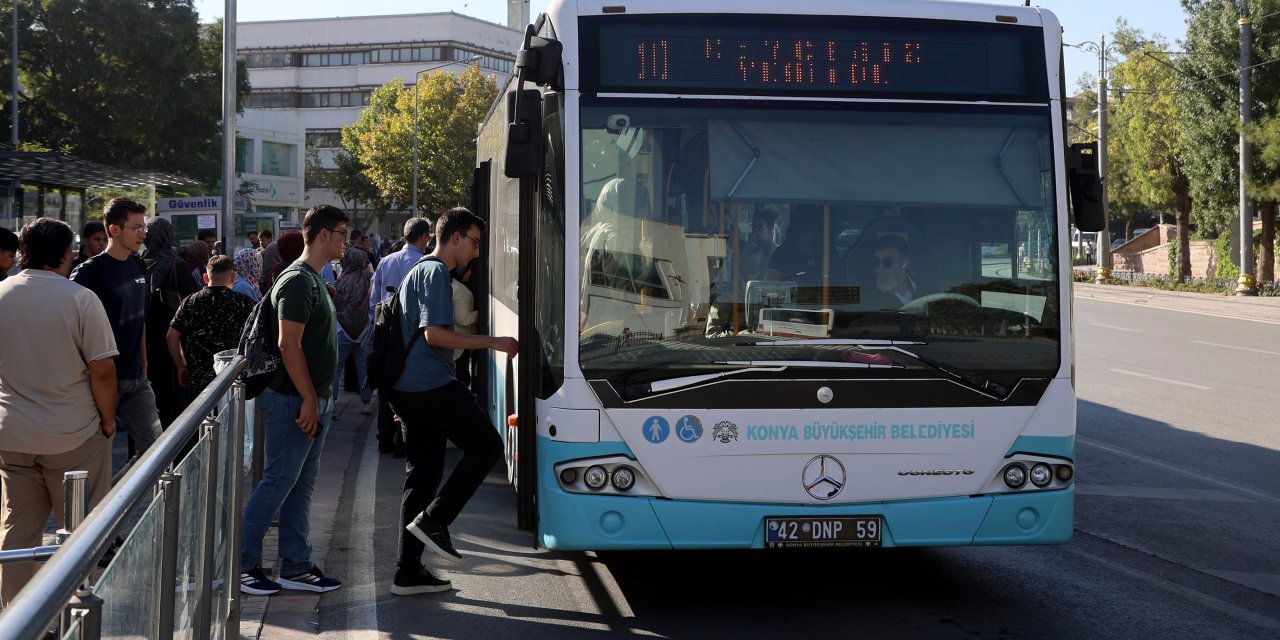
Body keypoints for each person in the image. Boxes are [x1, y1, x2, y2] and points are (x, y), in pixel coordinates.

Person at [389, 207, 518, 596]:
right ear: (456, 238)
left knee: (423, 477)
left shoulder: (424, 272)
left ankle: (407, 572)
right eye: (475, 242)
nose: (477, 252)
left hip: (409, 388)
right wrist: (493, 342)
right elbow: (435, 336)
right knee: (488, 444)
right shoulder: (433, 273)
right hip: (428, 384)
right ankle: (436, 520)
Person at [0, 218, 118, 606]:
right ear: (67, 254)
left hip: (12, 436)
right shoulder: (80, 299)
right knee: (80, 530)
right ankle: (75, 611)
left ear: (22, 252)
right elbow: (102, 370)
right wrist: (107, 419)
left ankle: (16, 618)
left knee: (17, 530)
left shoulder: (2, 294)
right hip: (73, 435)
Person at [239, 204, 349, 597]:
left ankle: (296, 565)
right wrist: (307, 398)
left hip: (309, 399)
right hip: (291, 399)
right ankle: (242, 564)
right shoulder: (298, 281)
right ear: (322, 235)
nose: (345, 241)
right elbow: (289, 344)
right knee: (279, 480)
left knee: (299, 485)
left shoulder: (314, 279)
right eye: (341, 233)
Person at [72, 198, 164, 457]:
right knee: (95, 459)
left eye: (144, 228)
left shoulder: (138, 264)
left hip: (136, 379)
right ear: (114, 229)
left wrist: (144, 368)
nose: (142, 234)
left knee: (157, 454)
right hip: (97, 381)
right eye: (136, 228)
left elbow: (140, 319)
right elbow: (73, 330)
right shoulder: (89, 272)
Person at [367, 218, 434, 456]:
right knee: (409, 388)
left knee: (386, 387)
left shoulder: (385, 261)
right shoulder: (426, 264)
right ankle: (402, 440)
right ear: (424, 237)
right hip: (413, 335)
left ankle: (384, 439)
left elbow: (373, 300)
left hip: (384, 331)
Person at [140, 217, 200, 428]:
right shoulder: (177, 264)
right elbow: (193, 304)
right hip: (173, 342)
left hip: (142, 342)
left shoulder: (137, 263)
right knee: (173, 401)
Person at [166, 255, 255, 397]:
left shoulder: (190, 302)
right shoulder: (243, 302)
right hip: (231, 377)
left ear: (205, 278)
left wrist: (181, 365)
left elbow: (171, 336)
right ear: (232, 277)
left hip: (198, 380)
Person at [332, 246, 373, 413]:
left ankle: (332, 403)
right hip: (364, 328)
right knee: (364, 366)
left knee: (336, 367)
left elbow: (338, 302)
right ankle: (367, 402)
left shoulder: (343, 278)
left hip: (343, 328)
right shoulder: (367, 277)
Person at [766, 205, 824, 285]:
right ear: (796, 230)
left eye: (814, 230)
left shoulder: (825, 254)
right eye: (805, 230)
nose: (810, 234)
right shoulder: (782, 254)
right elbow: (771, 284)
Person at [867, 233, 921, 308]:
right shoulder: (867, 296)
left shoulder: (929, 292)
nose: (880, 268)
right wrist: (880, 294)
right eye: (876, 262)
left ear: (904, 263)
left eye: (887, 262)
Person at [450, 261, 478, 388]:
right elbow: (463, 319)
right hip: (460, 342)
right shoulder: (461, 291)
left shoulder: (448, 286)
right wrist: (479, 314)